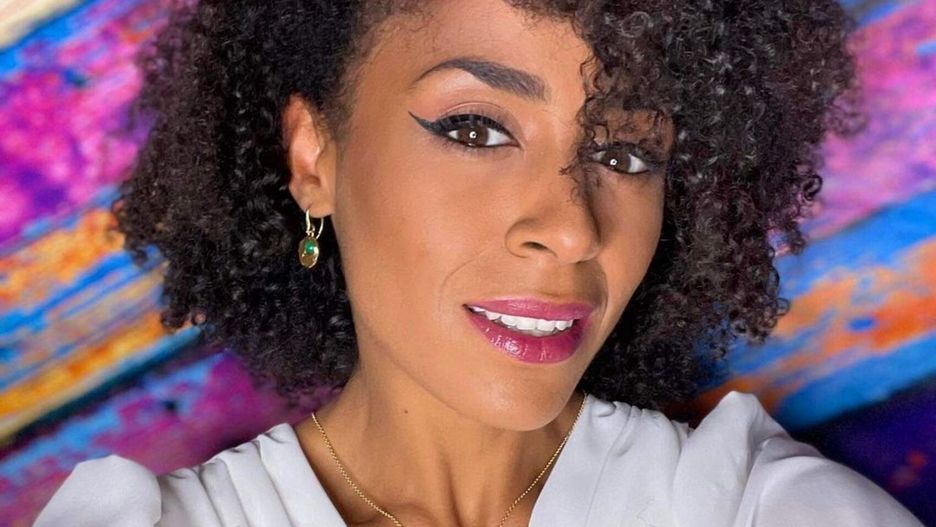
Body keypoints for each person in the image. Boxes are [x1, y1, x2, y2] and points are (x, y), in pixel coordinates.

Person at [34, 0, 925, 525]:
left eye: (625, 153)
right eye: (475, 129)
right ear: (314, 157)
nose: (571, 228)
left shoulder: (760, 512)